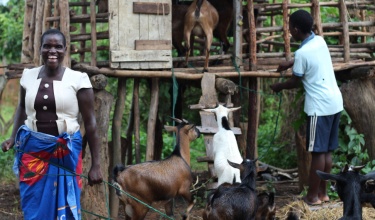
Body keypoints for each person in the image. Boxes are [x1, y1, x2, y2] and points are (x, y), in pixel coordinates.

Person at [1, 29, 103, 219]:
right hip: (33, 152)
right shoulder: (28, 76)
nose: (52, 51)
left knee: (65, 203)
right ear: (40, 48)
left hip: (66, 153)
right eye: (47, 46)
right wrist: (13, 137)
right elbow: (22, 108)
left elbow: (91, 125)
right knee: (33, 202)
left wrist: (96, 165)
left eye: (57, 46)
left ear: (65, 49)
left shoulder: (78, 80)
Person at [270, 10, 343, 205]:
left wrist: (278, 87)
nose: (289, 31)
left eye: (289, 27)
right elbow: (307, 59)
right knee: (326, 152)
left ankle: (311, 196)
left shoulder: (302, 53)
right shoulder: (319, 40)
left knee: (317, 153)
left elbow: (295, 82)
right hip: (335, 102)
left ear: (295, 29)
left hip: (319, 107)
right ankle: (323, 194)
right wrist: (289, 63)